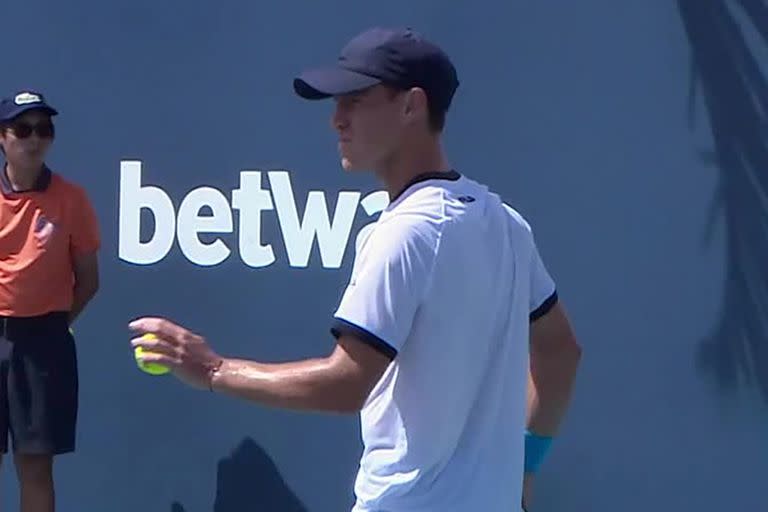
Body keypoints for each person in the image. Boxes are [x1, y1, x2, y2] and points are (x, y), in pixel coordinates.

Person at [129, 27, 582, 512]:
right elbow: (561, 354)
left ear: (411, 106)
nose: (336, 121)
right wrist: (525, 466)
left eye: (356, 101)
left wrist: (213, 369)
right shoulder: (506, 224)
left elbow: (347, 383)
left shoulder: (405, 233)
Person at [0, 90, 100, 512]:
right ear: (3, 138)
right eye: (23, 129)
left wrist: (55, 322)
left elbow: (89, 281)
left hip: (44, 343)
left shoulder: (71, 198)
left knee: (36, 467)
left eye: (44, 129)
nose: (34, 139)